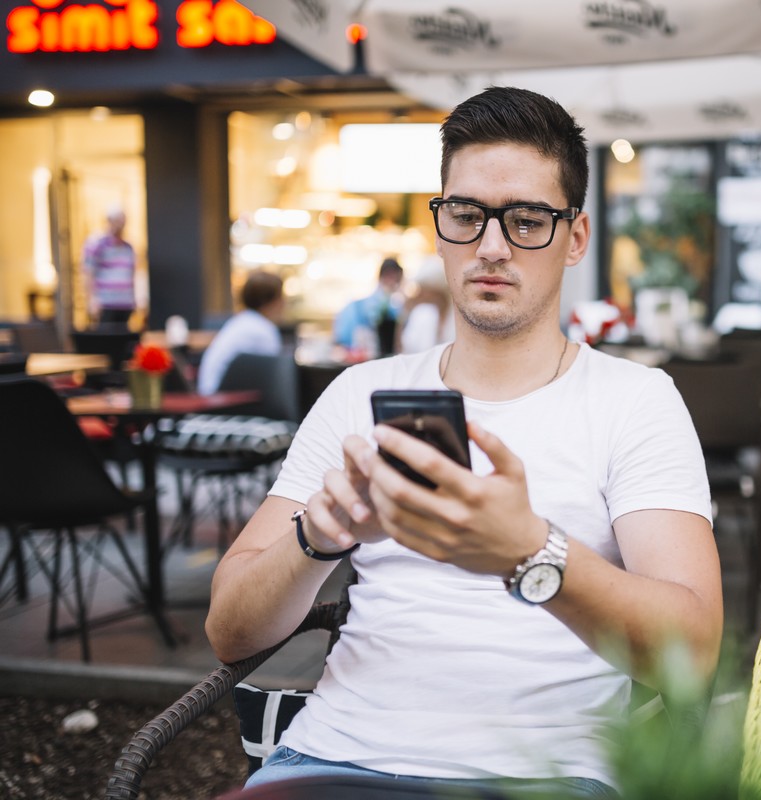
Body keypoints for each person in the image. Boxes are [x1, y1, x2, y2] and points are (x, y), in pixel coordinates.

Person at [206, 87, 722, 797]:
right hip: (334, 758)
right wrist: (318, 535)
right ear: (440, 225)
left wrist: (531, 553)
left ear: (575, 237)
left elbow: (691, 652)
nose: (491, 246)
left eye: (528, 219)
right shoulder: (360, 393)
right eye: (467, 214)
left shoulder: (635, 401)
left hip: (549, 776)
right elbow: (229, 633)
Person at [196, 271, 285, 395]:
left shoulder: (239, 322)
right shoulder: (263, 330)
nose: (284, 303)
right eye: (281, 297)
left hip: (209, 394)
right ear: (269, 301)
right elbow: (277, 376)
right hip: (223, 401)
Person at [333, 257, 405, 355]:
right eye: (392, 277)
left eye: (397, 279)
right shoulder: (360, 306)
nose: (394, 282)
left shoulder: (396, 304)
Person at [81, 206, 137, 327]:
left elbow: (131, 275)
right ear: (108, 221)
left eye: (122, 221)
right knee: (106, 341)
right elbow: (88, 273)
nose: (120, 225)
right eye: (116, 220)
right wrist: (91, 300)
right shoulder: (96, 244)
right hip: (105, 304)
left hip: (125, 303)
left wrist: (134, 300)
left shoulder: (128, 248)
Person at [399, 256, 455, 353]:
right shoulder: (421, 314)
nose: (421, 294)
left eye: (425, 289)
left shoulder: (457, 316)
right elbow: (406, 348)